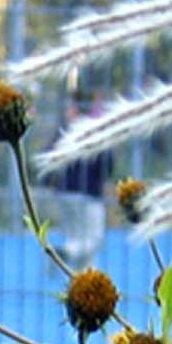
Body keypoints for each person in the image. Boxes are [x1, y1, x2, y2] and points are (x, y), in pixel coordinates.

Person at [47, 91, 113, 268]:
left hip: (65, 194)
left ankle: (85, 286)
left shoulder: (63, 132)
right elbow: (107, 164)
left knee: (77, 240)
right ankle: (66, 252)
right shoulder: (95, 133)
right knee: (94, 240)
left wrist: (52, 184)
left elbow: (48, 160)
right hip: (89, 195)